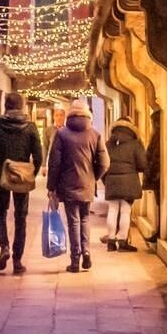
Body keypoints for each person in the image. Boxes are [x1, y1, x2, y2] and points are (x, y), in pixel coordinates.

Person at [0, 91, 44, 275]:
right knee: (21, 217)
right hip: (22, 176)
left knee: (0, 213)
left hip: (2, 174)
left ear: (6, 106)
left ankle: (4, 246)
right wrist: (31, 172)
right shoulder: (30, 127)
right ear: (22, 106)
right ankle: (17, 260)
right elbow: (39, 156)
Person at [47, 97, 108, 272]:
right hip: (87, 185)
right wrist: (93, 177)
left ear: (70, 115)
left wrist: (51, 186)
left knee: (73, 221)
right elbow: (104, 162)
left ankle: (75, 260)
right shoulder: (95, 134)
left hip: (67, 185)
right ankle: (86, 251)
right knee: (85, 219)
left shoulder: (62, 134)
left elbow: (54, 163)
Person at [101, 117, 147, 252]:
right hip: (129, 181)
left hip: (112, 180)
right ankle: (122, 241)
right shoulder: (135, 143)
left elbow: (102, 162)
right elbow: (143, 164)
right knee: (125, 211)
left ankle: (110, 241)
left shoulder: (108, 144)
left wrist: (107, 178)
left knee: (113, 209)